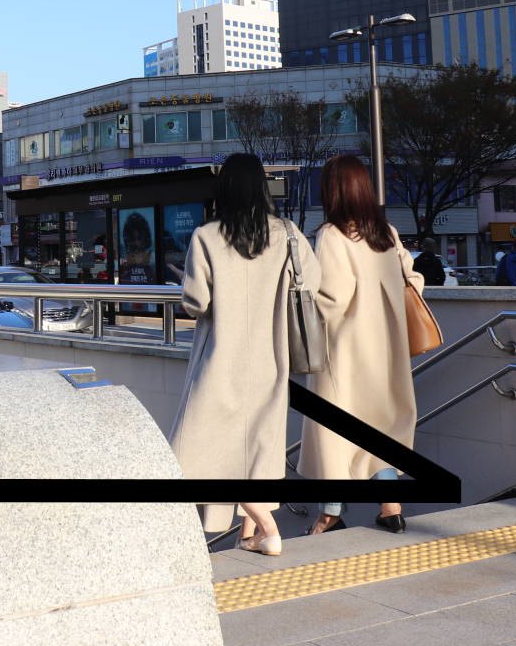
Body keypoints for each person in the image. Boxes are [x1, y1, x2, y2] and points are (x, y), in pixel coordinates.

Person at [168, 154, 320, 556]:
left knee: (194, 455)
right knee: (257, 451)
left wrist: (184, 280)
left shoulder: (207, 237)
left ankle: (269, 530)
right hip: (271, 361)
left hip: (221, 361)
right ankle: (248, 536)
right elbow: (312, 282)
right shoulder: (288, 234)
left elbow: (197, 302)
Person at [301, 153, 419, 536]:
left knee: (335, 432)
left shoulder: (333, 235)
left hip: (347, 352)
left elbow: (332, 297)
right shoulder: (386, 233)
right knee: (379, 429)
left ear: (333, 190)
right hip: (386, 351)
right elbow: (412, 282)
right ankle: (391, 506)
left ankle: (330, 514)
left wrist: (303, 295)